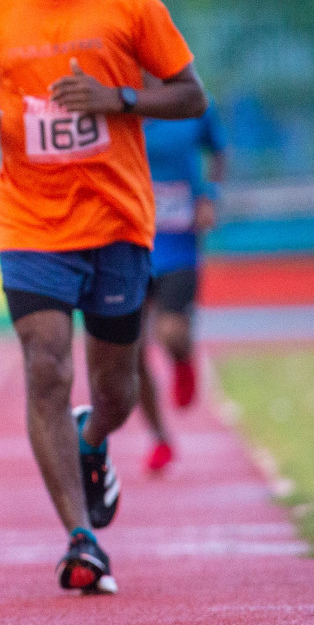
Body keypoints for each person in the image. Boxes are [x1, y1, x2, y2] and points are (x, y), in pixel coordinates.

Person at [0, 0, 206, 595]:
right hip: (30, 221)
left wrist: (117, 98)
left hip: (118, 221)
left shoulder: (131, 3)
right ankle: (81, 538)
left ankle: (94, 440)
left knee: (116, 389)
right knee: (47, 365)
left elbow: (190, 94)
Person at [135, 101, 227, 472]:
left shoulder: (191, 102)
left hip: (179, 243)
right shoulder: (114, 100)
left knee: (170, 332)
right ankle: (159, 438)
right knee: (132, 352)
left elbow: (218, 152)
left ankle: (182, 355)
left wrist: (210, 195)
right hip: (129, 244)